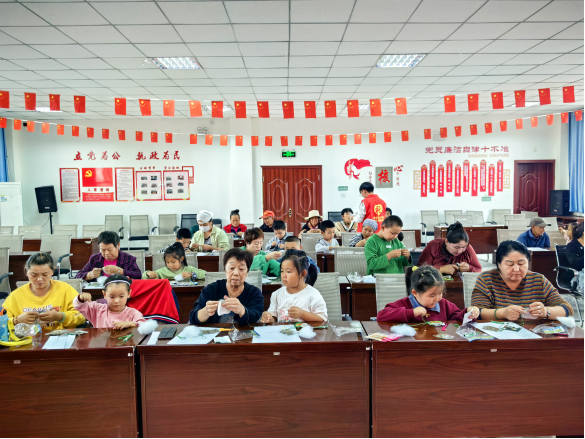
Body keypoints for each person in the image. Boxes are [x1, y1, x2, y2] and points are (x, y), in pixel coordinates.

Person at [471, 240, 573, 320]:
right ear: (499, 264)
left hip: (534, 335)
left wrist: (546, 312)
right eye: (510, 264)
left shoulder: (539, 280)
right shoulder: (486, 279)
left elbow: (567, 309)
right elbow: (477, 312)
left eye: (521, 263)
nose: (516, 269)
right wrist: (503, 313)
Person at [3, 253, 85, 330]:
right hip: (26, 339)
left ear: (52, 271)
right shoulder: (16, 295)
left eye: (45, 275)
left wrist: (60, 316)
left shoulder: (65, 289)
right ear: (26, 271)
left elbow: (82, 316)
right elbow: (2, 322)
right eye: (34, 275)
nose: (39, 279)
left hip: (59, 337)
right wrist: (17, 320)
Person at [377, 266, 480, 323]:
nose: (437, 298)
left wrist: (468, 313)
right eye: (432, 295)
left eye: (440, 293)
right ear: (415, 293)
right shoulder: (405, 304)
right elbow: (381, 316)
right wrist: (412, 312)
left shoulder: (444, 304)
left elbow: (457, 319)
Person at [189, 248, 264, 325]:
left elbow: (256, 318)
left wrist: (242, 310)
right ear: (225, 270)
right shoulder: (211, 289)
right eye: (231, 268)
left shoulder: (254, 293)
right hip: (215, 332)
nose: (236, 273)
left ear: (247, 272)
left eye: (241, 269)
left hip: (243, 332)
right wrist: (206, 311)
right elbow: (193, 318)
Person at [261, 250, 327, 323]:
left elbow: (322, 318)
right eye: (282, 271)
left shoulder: (313, 294)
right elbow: (274, 318)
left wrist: (302, 314)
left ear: (303, 274)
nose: (284, 275)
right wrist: (269, 318)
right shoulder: (276, 294)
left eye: (288, 271)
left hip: (305, 330)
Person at [74, 274, 145, 330]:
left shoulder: (133, 313)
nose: (116, 301)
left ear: (129, 294)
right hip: (101, 344)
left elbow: (144, 325)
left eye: (121, 296)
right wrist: (81, 298)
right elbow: (79, 306)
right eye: (112, 297)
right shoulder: (97, 310)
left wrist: (132, 324)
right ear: (104, 294)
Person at [417, 222, 482, 274]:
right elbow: (419, 270)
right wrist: (440, 269)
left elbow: (479, 269)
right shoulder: (434, 245)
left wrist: (469, 268)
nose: (459, 251)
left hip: (460, 283)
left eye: (463, 247)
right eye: (456, 247)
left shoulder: (468, 248)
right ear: (446, 241)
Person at [76, 231, 142, 280]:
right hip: (99, 292)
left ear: (118, 245)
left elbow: (138, 275)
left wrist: (120, 271)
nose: (106, 253)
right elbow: (78, 276)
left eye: (110, 249)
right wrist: (90, 275)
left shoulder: (128, 259)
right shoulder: (95, 259)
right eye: (103, 250)